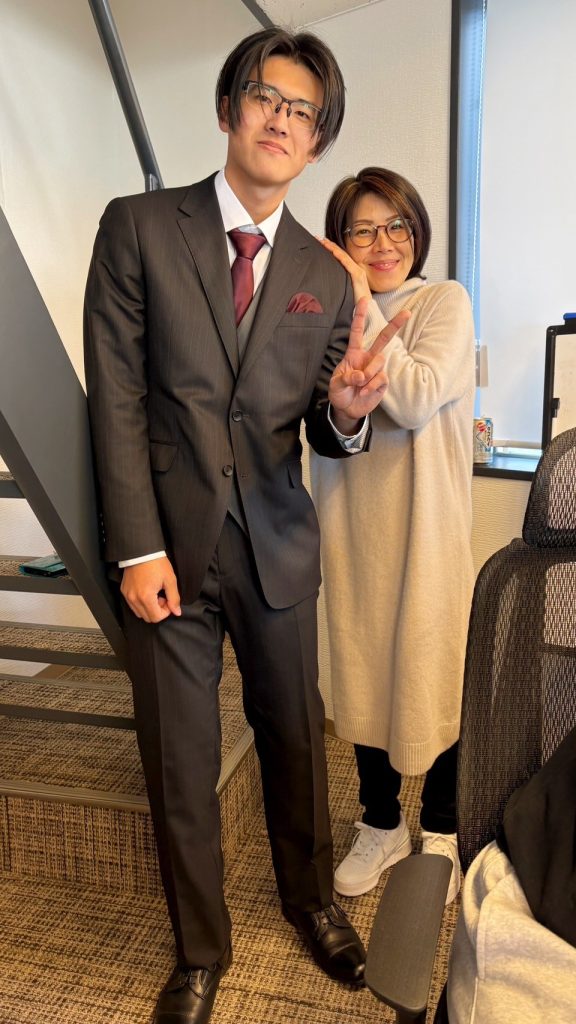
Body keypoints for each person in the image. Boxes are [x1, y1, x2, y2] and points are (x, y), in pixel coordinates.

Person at [84, 33, 408, 1024]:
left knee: (295, 742)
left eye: (302, 110)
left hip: (277, 545)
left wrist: (346, 412)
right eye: (266, 96)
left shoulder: (324, 272)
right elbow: (117, 396)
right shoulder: (139, 226)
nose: (281, 118)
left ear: (316, 142)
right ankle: (199, 949)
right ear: (229, 110)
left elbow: (323, 422)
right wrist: (136, 546)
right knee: (180, 758)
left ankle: (312, 902)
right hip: (166, 549)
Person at [311, 166, 475, 906]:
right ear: (340, 241)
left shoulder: (445, 301)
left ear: (417, 230)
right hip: (353, 523)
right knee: (362, 669)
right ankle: (381, 823)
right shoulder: (325, 317)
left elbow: (411, 398)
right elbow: (322, 422)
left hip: (428, 529)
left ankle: (440, 826)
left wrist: (363, 300)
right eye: (362, 231)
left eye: (396, 226)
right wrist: (351, 309)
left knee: (435, 671)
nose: (382, 243)